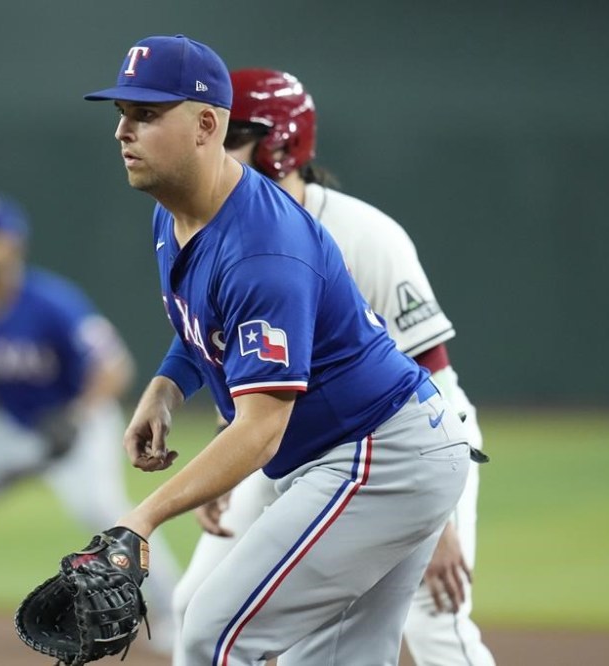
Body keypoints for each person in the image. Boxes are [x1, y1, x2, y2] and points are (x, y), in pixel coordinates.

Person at [84, 35, 474, 665]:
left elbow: (261, 430)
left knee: (215, 631)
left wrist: (143, 518)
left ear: (207, 124)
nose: (124, 131)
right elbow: (205, 322)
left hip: (380, 455)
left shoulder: (264, 250)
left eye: (147, 115)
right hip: (360, 453)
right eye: (122, 114)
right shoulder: (178, 208)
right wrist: (166, 385)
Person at [170, 68, 496, 666]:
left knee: (434, 618)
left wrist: (436, 521)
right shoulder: (215, 222)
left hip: (405, 438)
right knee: (194, 601)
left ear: (281, 141)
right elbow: (240, 358)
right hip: (288, 442)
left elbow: (434, 374)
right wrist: (222, 463)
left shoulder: (364, 233)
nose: (214, 144)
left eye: (234, 131)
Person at [0, 190, 181, 652]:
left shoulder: (53, 302)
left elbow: (114, 367)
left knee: (106, 514)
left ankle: (175, 612)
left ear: (13, 243)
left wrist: (76, 415)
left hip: (76, 424)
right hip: (12, 429)